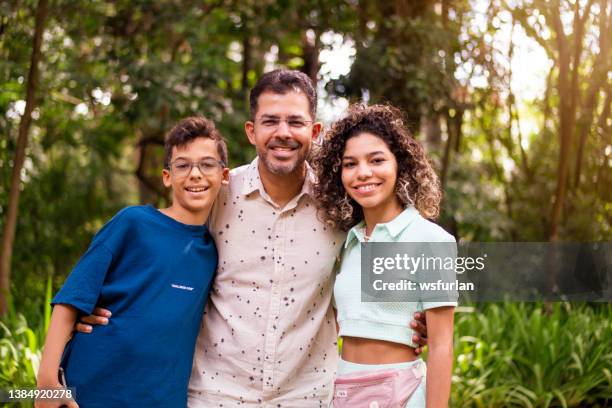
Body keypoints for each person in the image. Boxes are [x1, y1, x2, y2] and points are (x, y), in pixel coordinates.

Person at [78, 70, 430, 406]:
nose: (283, 133)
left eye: (295, 122)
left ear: (315, 130)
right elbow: (165, 253)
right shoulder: (217, 195)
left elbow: (384, 253)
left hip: (308, 398)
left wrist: (413, 315)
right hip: (215, 395)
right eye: (270, 121)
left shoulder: (340, 204)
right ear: (251, 131)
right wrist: (106, 306)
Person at [36, 116, 230, 408]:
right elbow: (73, 298)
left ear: (224, 175)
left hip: (161, 399)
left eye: (207, 164)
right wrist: (47, 385)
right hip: (90, 392)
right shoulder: (133, 222)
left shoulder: (212, 252)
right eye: (183, 165)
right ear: (167, 176)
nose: (195, 174)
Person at [312, 104, 457, 407]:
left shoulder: (431, 240)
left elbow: (442, 345)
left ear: (399, 165)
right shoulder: (346, 242)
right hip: (341, 392)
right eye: (350, 164)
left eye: (376, 160)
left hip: (402, 394)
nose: (363, 173)